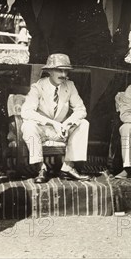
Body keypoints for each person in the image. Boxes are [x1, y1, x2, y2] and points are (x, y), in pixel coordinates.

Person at [20, 53, 90, 183]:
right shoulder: (38, 86)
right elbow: (26, 112)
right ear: (50, 71)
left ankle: (68, 167)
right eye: (59, 70)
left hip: (61, 130)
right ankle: (40, 168)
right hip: (42, 130)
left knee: (84, 123)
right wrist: (52, 123)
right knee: (28, 125)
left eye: (66, 70)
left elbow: (81, 110)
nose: (63, 74)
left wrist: (68, 123)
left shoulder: (70, 86)